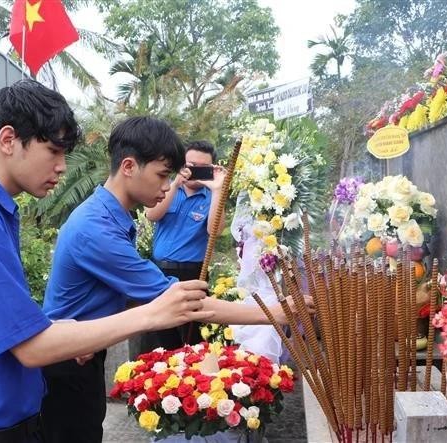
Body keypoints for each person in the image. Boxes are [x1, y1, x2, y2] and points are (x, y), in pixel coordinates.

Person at [0, 80, 211, 442]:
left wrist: (67, 331)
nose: (62, 167)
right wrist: (152, 313)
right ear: (8, 140)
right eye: (53, 151)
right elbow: (32, 347)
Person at [41, 116, 305, 442]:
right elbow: (183, 303)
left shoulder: (109, 214)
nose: (167, 186)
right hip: (66, 365)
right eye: (162, 175)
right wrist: (274, 313)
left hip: (82, 351)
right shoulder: (96, 230)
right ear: (128, 166)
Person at [139, 140, 225, 352]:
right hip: (160, 272)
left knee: (192, 339)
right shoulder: (168, 188)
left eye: (201, 167)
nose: (194, 171)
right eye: (190, 165)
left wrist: (217, 190)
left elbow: (214, 231)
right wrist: (176, 183)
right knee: (160, 337)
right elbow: (152, 214)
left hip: (193, 274)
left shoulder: (211, 195)